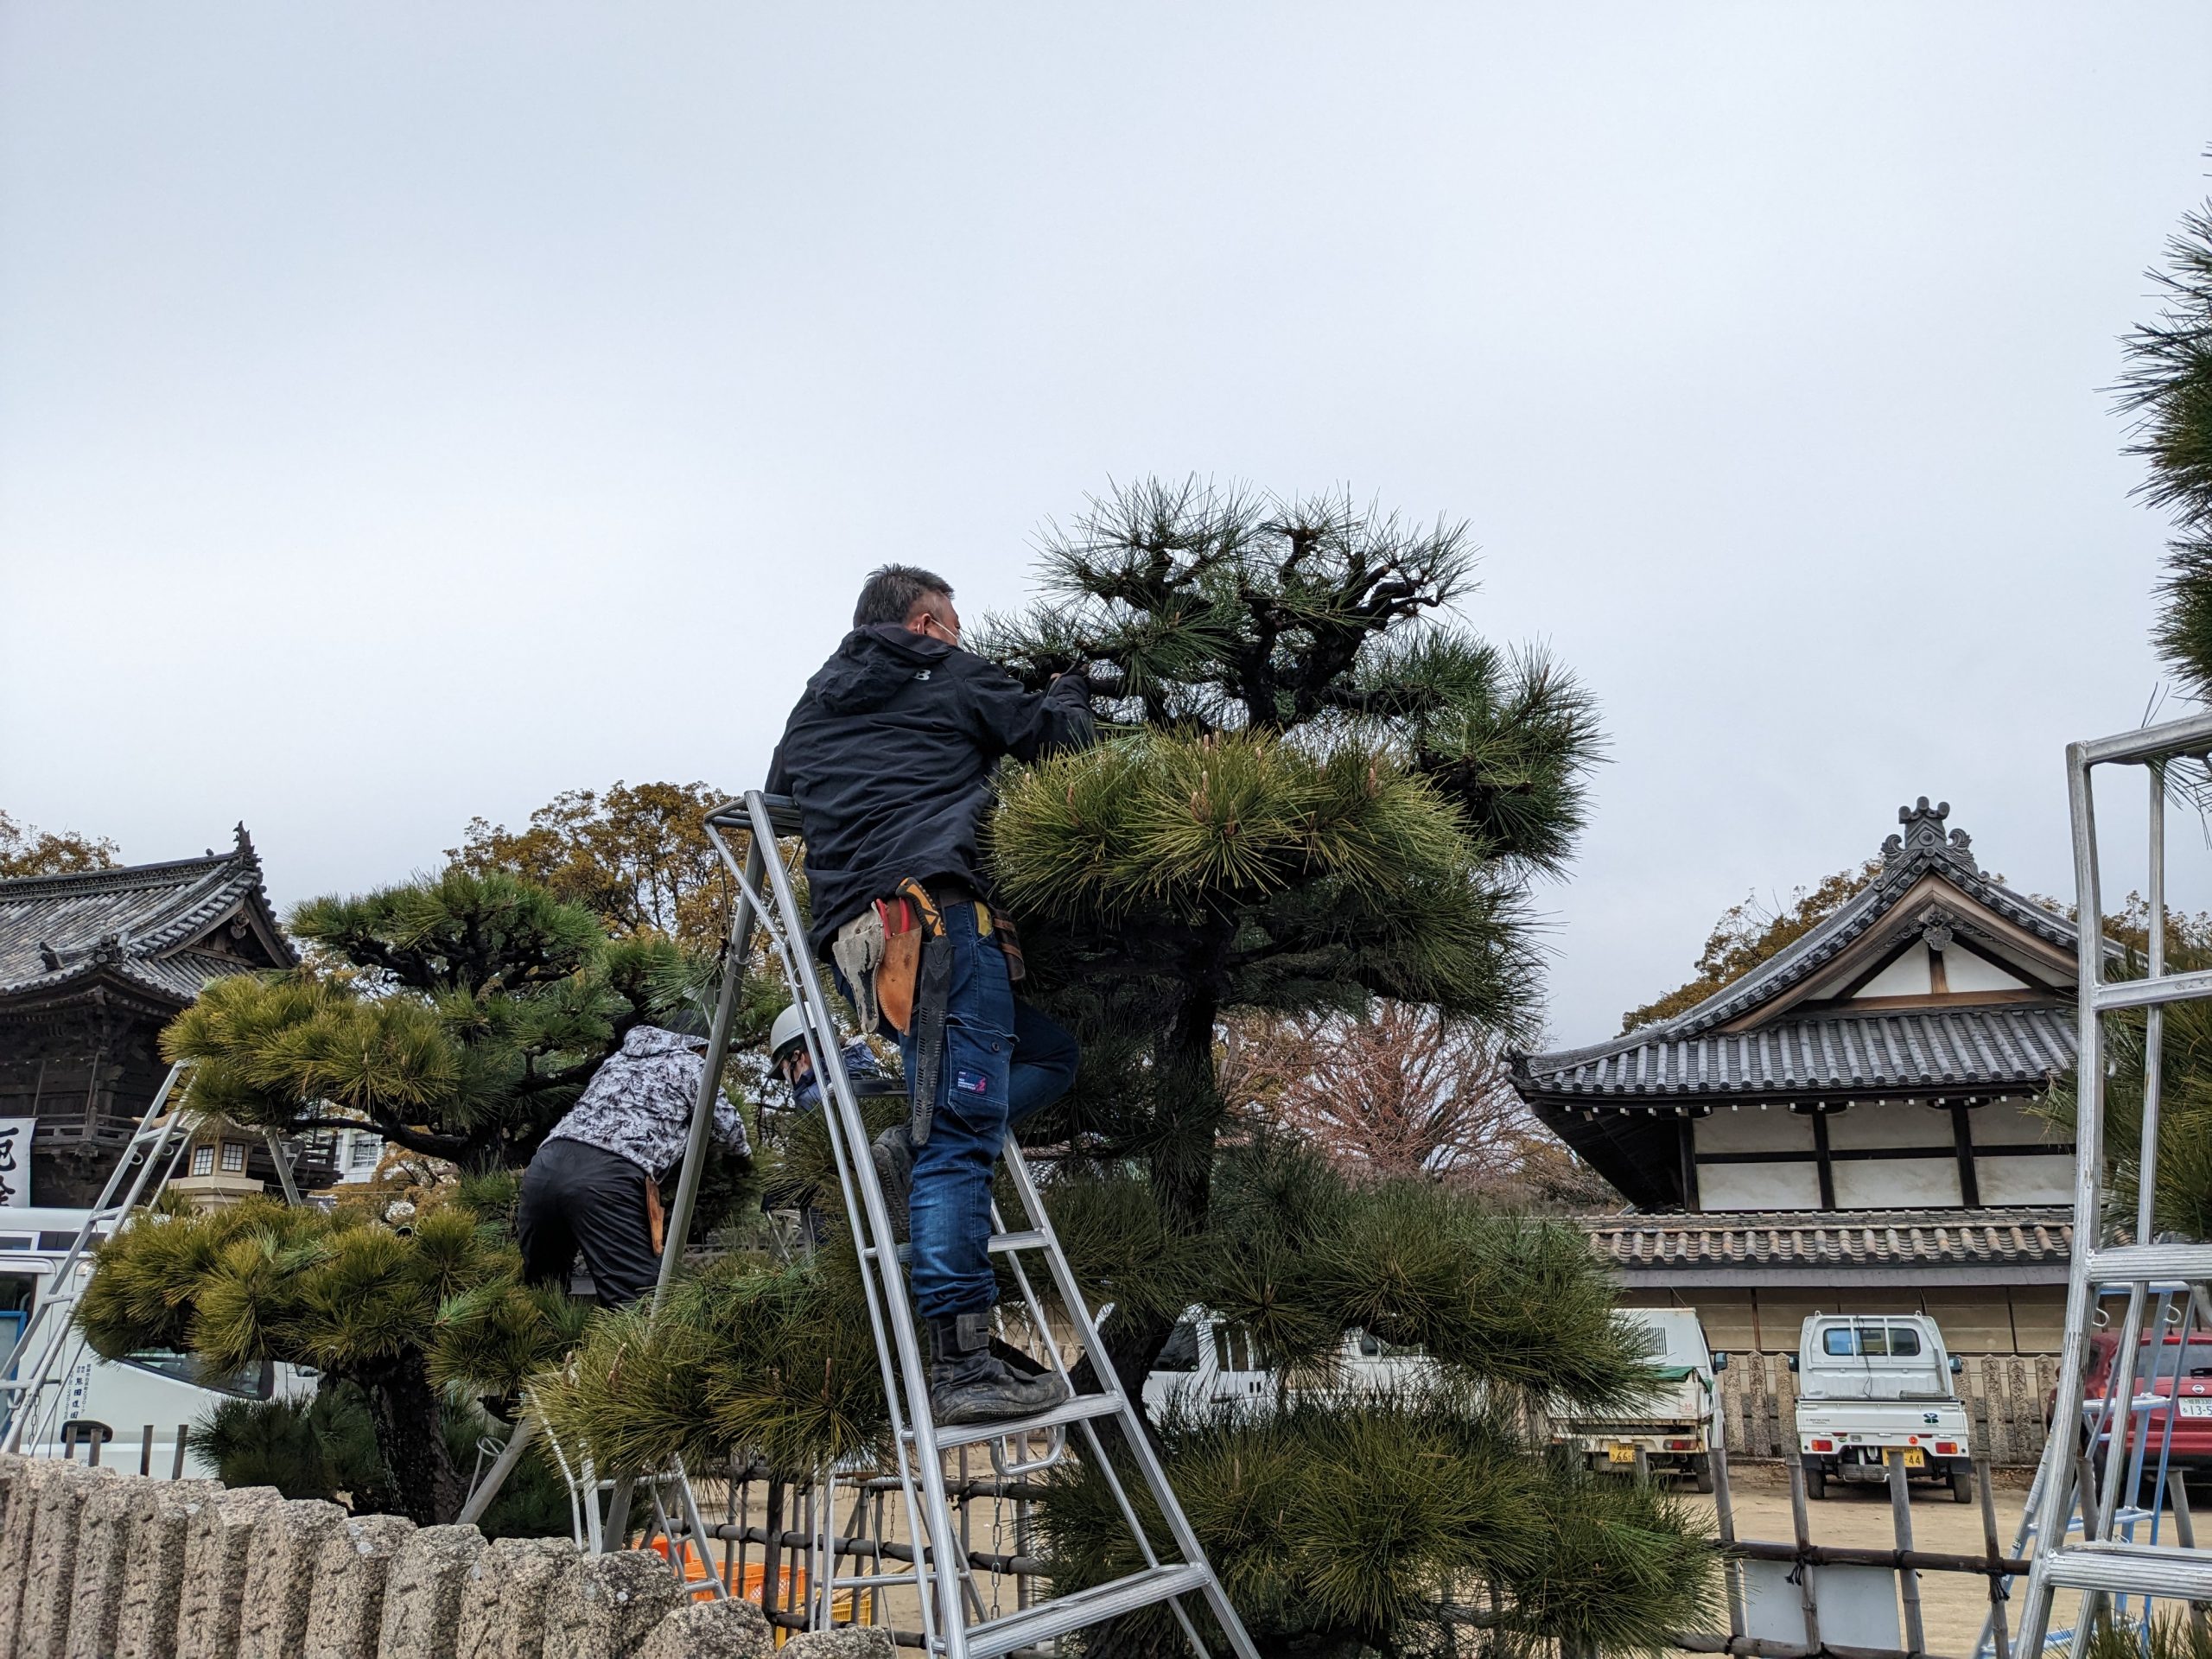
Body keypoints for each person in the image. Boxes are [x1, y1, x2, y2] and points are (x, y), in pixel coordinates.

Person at [766, 563, 1092, 1425]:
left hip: (860, 943)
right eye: (951, 621)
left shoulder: (815, 701)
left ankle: (910, 1149)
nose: (960, 635)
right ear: (924, 622)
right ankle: (959, 1360)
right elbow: (1061, 749)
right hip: (939, 924)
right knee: (961, 1139)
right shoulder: (946, 670)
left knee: (1052, 1054)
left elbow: (785, 792)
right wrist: (1069, 694)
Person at [517, 1014, 751, 1308]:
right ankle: (625, 1355)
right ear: (701, 1046)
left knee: (542, 1295)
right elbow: (729, 1128)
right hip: (607, 1176)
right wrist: (744, 1165)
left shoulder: (617, 1060)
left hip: (544, 1166)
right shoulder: (692, 1064)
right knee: (637, 1303)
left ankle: (547, 1352)